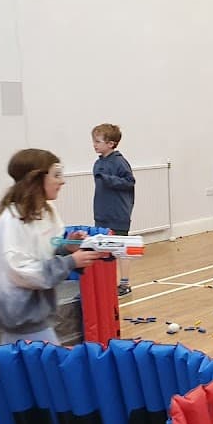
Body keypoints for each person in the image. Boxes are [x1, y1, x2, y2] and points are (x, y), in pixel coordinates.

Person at [0, 149, 104, 345]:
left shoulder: (42, 213)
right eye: (56, 175)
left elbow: (42, 254)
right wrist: (70, 262)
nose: (62, 181)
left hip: (32, 317)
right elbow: (24, 271)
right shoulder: (13, 221)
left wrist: (66, 248)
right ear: (36, 179)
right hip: (18, 318)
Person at [92, 123, 136, 295]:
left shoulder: (119, 162)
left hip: (118, 213)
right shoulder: (98, 163)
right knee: (105, 248)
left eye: (98, 141)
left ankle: (124, 283)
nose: (94, 144)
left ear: (110, 143)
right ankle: (107, 282)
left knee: (121, 248)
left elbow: (129, 182)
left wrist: (110, 180)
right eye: (94, 141)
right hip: (102, 212)